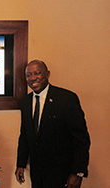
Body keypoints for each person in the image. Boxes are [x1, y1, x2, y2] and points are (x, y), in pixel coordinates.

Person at [15, 60, 90, 188]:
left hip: (64, 175)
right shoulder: (25, 102)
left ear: (47, 74)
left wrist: (77, 173)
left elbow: (81, 139)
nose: (33, 78)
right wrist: (20, 164)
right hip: (38, 175)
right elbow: (25, 135)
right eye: (28, 75)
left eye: (37, 73)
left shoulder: (66, 98)